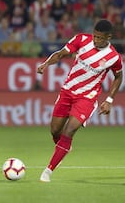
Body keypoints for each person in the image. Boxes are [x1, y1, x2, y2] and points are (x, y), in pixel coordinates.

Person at [37, 19, 123, 182]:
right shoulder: (81, 40)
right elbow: (61, 53)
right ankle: (64, 147)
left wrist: (110, 99)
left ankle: (48, 171)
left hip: (87, 98)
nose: (96, 40)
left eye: (100, 38)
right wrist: (46, 64)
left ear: (109, 37)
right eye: (95, 36)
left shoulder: (113, 57)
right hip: (67, 91)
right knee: (55, 131)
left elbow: (118, 76)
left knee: (69, 131)